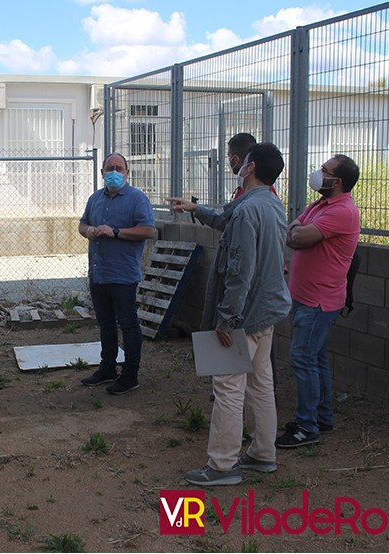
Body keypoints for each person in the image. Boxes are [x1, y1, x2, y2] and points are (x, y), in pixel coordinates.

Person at [169, 142, 291, 486]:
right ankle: (263, 454)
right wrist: (196, 208)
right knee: (260, 383)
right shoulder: (269, 203)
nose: (238, 164)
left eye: (243, 161)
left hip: (245, 315)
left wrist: (227, 319)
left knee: (228, 386)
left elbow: (239, 271)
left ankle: (222, 466)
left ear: (249, 168)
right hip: (267, 312)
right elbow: (226, 219)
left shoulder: (247, 210)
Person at [275, 154, 361, 448]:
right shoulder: (320, 204)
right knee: (316, 358)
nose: (318, 173)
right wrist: (297, 231)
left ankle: (306, 426)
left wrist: (297, 232)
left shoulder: (343, 211)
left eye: (324, 170)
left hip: (319, 302)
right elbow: (293, 229)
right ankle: (322, 418)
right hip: (307, 298)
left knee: (303, 359)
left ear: (337, 181)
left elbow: (297, 237)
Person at [78, 152, 155, 395]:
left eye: (118, 168)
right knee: (106, 324)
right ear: (102, 173)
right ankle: (107, 368)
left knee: (129, 325)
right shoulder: (95, 199)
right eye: (109, 168)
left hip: (122, 275)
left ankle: (130, 375)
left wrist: (116, 231)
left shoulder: (136, 199)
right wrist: (88, 229)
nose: (114, 172)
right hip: (98, 274)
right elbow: (81, 224)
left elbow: (148, 230)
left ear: (126, 172)